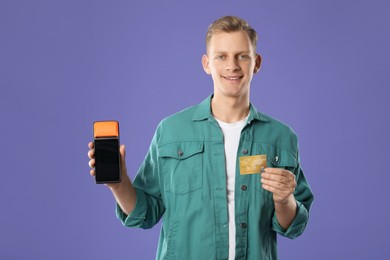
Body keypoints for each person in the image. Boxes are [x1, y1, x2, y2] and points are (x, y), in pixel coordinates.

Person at [88, 15, 314, 260]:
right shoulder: (171, 131)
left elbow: (294, 225)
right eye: (221, 56)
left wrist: (283, 200)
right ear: (206, 64)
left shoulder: (281, 138)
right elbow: (145, 214)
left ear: (256, 63)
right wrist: (118, 183)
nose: (232, 66)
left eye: (242, 56)